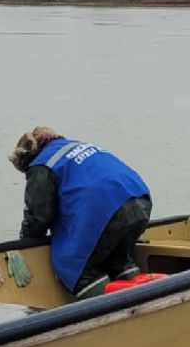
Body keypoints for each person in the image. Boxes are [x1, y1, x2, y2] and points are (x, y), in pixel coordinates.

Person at [9, 127, 152, 300]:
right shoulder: (74, 146)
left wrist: (26, 243)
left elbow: (38, 216)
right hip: (139, 200)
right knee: (117, 259)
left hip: (107, 211)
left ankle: (112, 309)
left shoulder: (41, 164)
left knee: (76, 269)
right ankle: (143, 293)